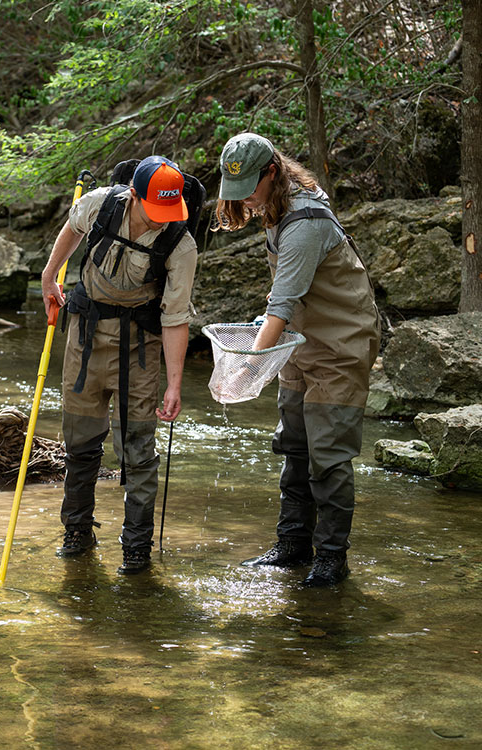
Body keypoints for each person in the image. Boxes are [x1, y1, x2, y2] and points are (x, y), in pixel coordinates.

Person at [214, 132, 380, 587]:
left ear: (273, 172)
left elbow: (281, 305)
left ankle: (330, 559)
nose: (244, 200)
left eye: (250, 187)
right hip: (299, 344)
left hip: (341, 347)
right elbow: (284, 299)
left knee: (328, 457)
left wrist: (249, 367)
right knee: (294, 447)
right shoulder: (275, 209)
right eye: (237, 190)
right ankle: (292, 546)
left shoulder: (306, 222)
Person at [42, 156, 200, 575]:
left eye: (171, 211)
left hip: (141, 349)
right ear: (133, 195)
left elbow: (175, 317)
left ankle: (137, 548)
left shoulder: (181, 244)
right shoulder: (99, 205)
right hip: (86, 339)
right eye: (155, 211)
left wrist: (174, 384)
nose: (161, 220)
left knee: (139, 452)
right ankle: (76, 531)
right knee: (79, 445)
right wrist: (49, 274)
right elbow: (72, 229)